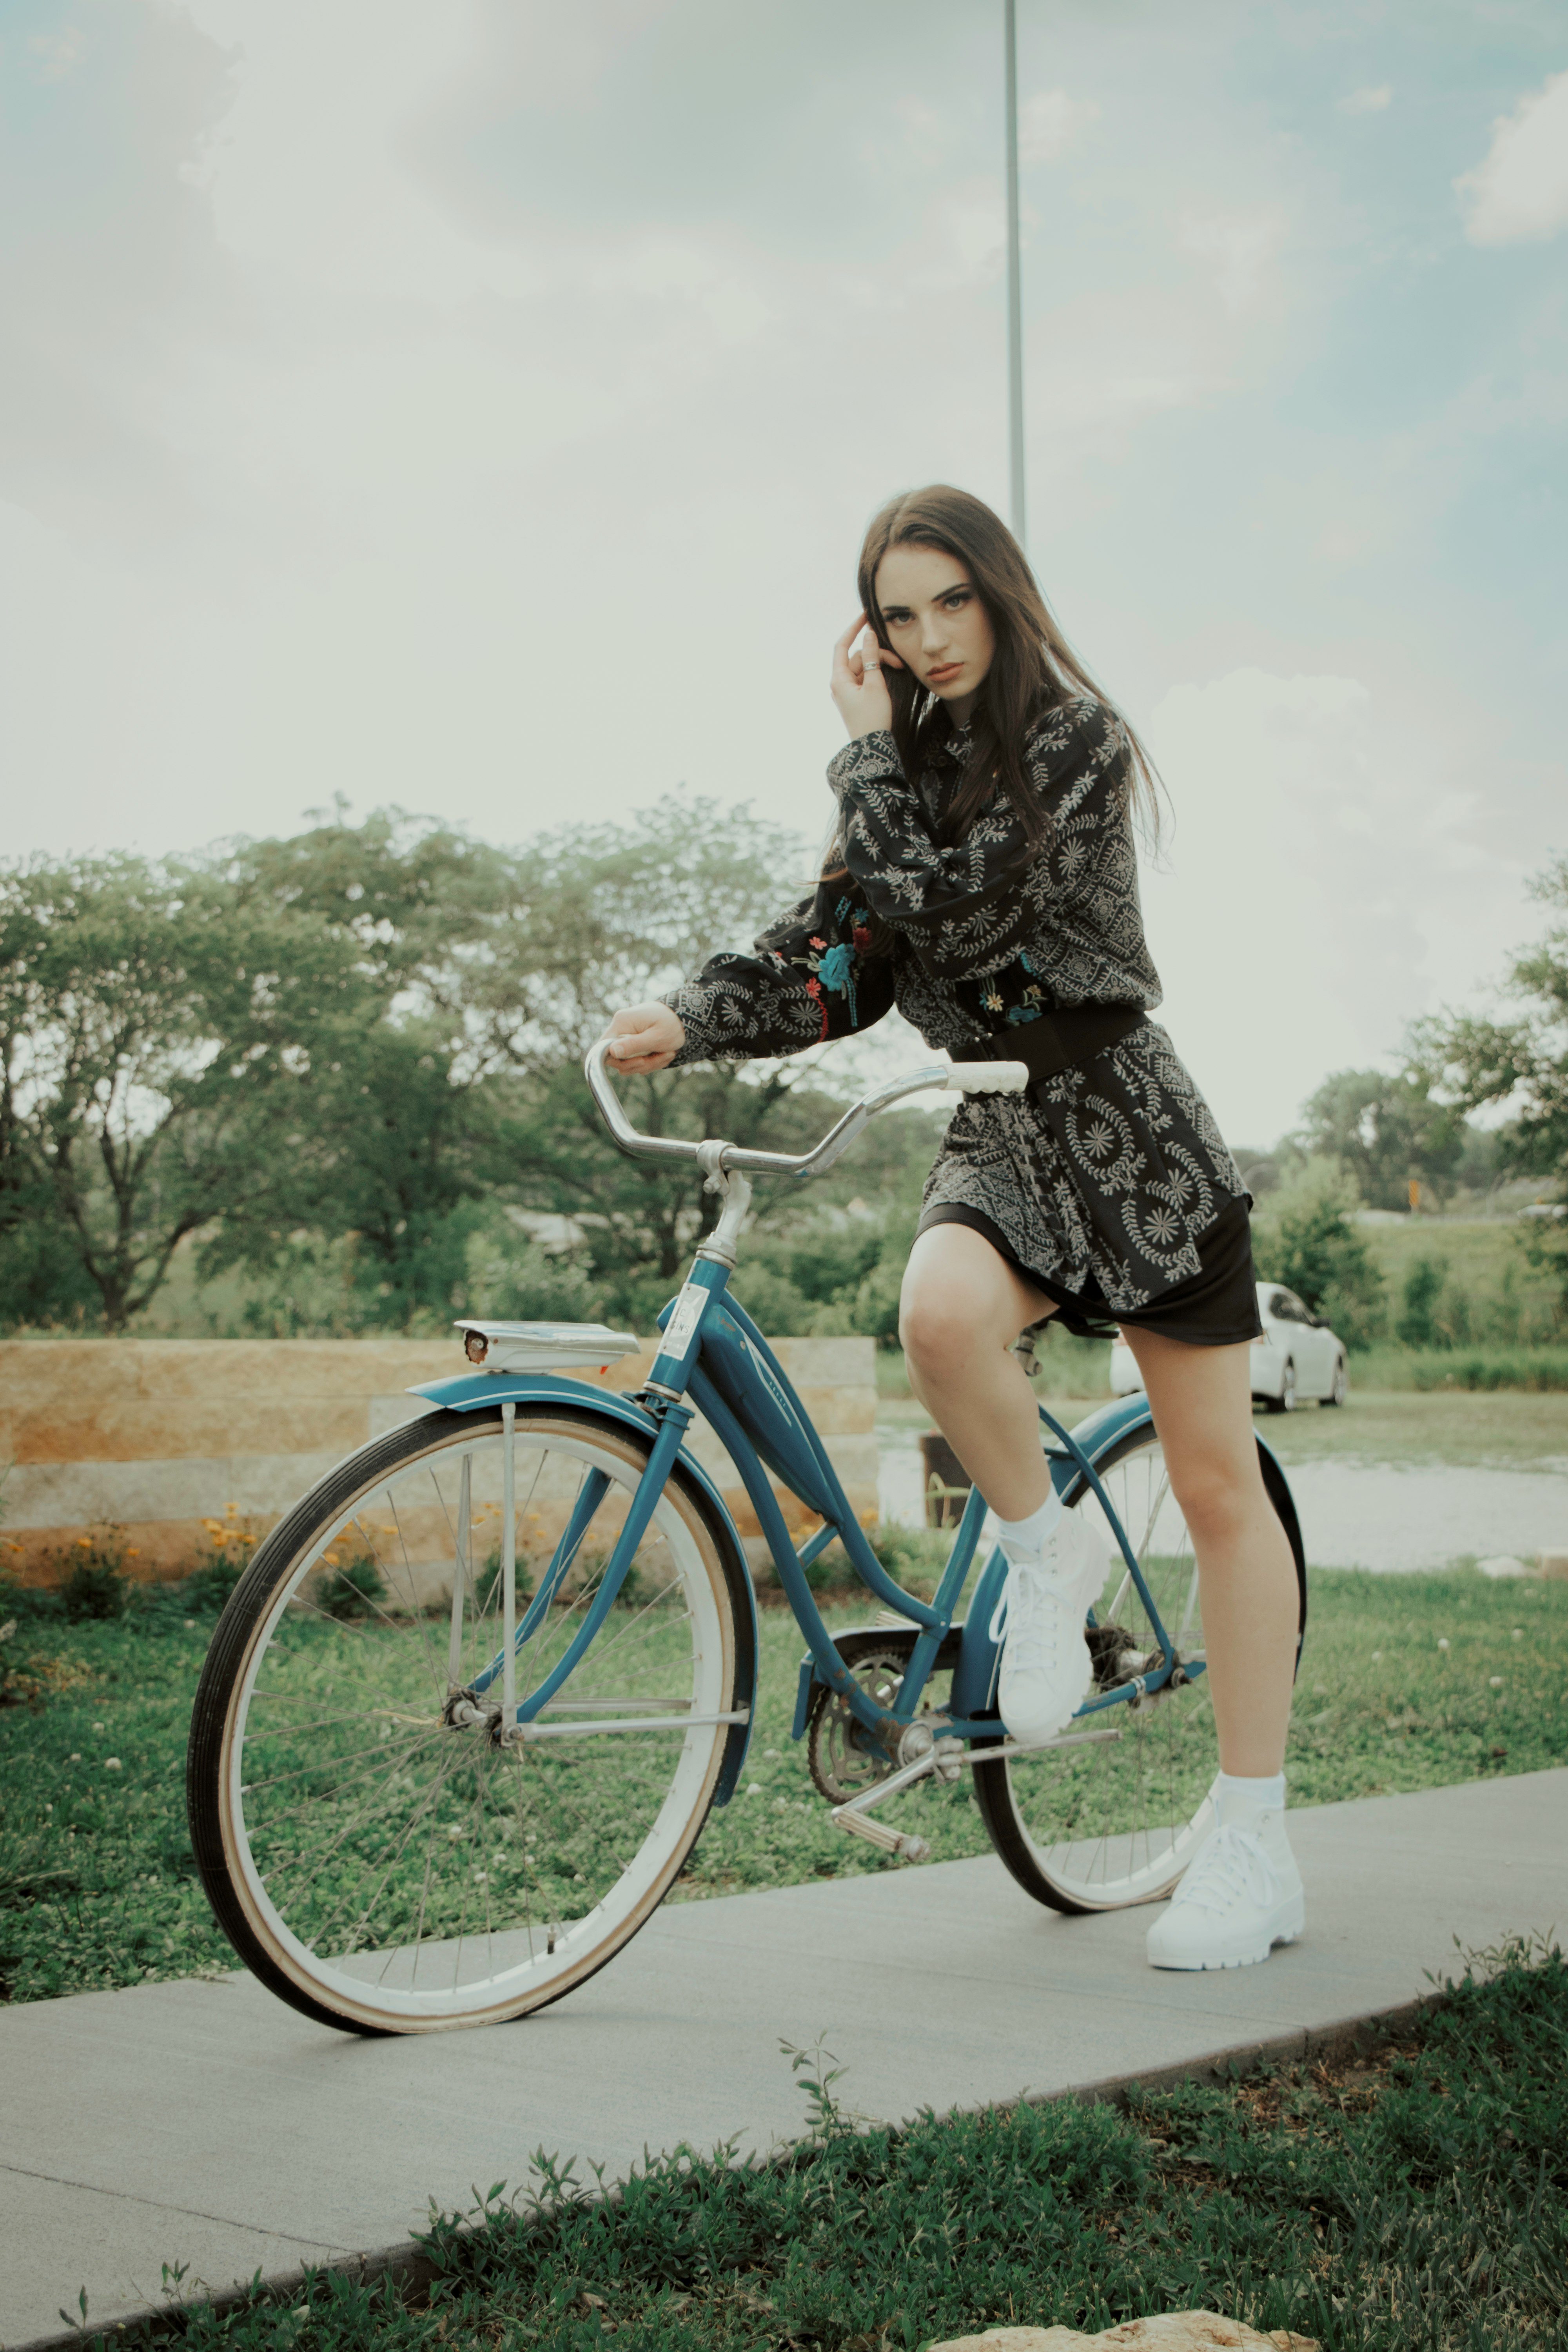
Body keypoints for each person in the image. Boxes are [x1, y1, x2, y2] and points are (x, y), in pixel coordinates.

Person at [604, 485, 1303, 1973]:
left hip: (1131, 1127)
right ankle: (1042, 1563)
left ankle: (1254, 1838)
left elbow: (968, 911)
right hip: (998, 1125)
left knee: (1216, 1482)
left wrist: (860, 750)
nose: (925, 643)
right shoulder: (898, 767)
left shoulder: (1077, 741)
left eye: (949, 605)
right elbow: (849, 951)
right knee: (936, 1317)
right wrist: (694, 1014)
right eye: (897, 615)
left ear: (1002, 594)